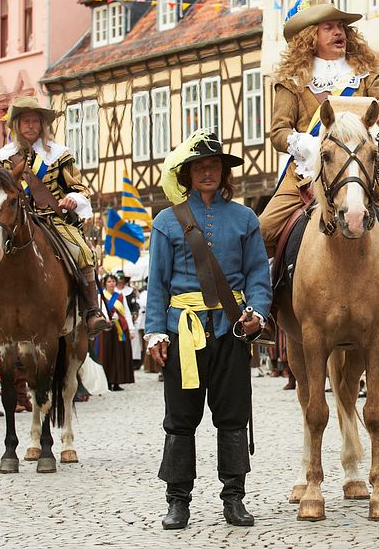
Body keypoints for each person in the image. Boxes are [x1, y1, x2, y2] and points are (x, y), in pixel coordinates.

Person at [258, 0, 379, 343]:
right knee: (262, 231)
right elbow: (278, 131)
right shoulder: (292, 81)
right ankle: (266, 312)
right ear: (311, 35)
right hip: (308, 174)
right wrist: (306, 145)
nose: (339, 32)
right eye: (329, 27)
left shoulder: (365, 74)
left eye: (341, 26)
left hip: (363, 174)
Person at [145, 132, 271, 530]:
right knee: (180, 418)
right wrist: (155, 333)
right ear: (187, 174)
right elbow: (156, 284)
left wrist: (256, 312)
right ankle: (177, 500)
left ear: (223, 172)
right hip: (182, 331)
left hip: (230, 329)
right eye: (199, 167)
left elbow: (256, 274)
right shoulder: (167, 222)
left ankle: (234, 498)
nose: (206, 172)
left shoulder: (246, 218)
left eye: (213, 166)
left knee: (232, 415)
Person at [0, 96, 111, 338]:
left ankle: (91, 312)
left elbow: (80, 188)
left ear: (43, 125)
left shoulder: (60, 154)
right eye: (25, 121)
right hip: (10, 220)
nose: (31, 126)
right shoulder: (1, 158)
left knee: (83, 252)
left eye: (35, 121)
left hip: (52, 218)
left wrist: (73, 199)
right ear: (16, 126)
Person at [97, 274, 135, 391]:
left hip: (119, 328)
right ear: (105, 283)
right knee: (108, 355)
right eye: (109, 281)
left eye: (113, 281)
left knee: (118, 355)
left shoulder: (120, 296)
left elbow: (127, 313)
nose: (112, 283)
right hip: (107, 329)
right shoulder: (101, 296)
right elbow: (101, 310)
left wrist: (131, 329)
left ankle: (117, 381)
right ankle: (108, 381)